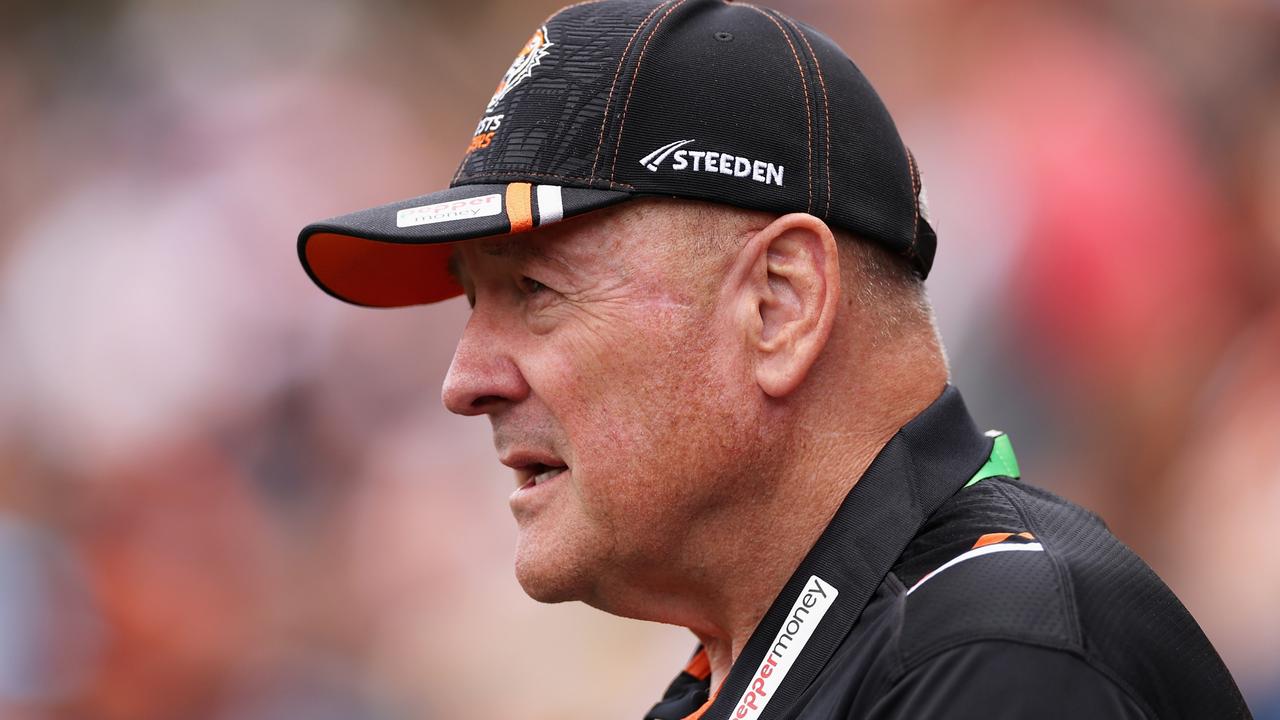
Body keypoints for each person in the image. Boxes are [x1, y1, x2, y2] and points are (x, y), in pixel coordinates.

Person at [295, 1, 1250, 717]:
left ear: (780, 305)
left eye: (534, 293)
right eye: (472, 303)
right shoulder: (809, 656)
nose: (465, 382)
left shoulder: (998, 664)